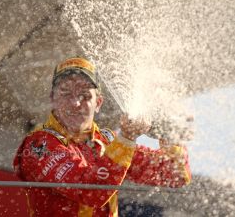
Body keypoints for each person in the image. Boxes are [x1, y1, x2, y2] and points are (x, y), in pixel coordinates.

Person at [13, 57, 191, 216]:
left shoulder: (108, 141)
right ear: (53, 98)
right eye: (66, 93)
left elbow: (175, 174)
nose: (75, 103)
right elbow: (92, 191)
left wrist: (171, 135)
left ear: (98, 103)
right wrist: (127, 138)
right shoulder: (38, 145)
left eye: (85, 95)